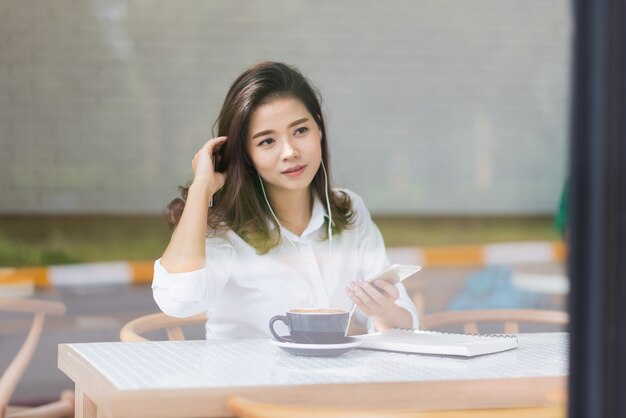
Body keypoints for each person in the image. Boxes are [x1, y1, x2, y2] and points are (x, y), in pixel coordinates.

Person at [152, 61, 418, 340]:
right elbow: (179, 302)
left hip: (331, 380)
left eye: (300, 131)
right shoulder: (224, 226)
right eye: (267, 141)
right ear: (246, 156)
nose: (290, 152)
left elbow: (402, 320)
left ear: (319, 129)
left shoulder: (348, 209)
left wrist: (384, 313)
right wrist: (202, 189)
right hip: (246, 381)